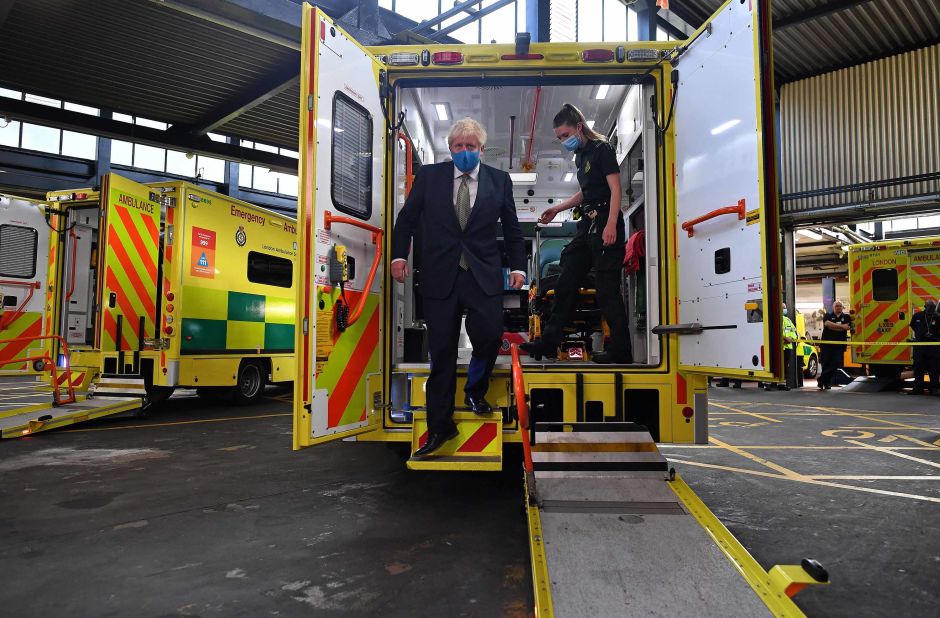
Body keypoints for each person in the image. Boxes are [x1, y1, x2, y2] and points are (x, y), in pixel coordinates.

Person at [391, 118, 526, 458]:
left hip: (481, 272)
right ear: (450, 148)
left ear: (482, 149)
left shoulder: (499, 180)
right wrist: (397, 257)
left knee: (489, 334)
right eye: (459, 147)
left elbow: (511, 227)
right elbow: (406, 219)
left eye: (471, 147)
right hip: (440, 273)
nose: (465, 152)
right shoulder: (431, 177)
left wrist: (519, 267)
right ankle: (440, 427)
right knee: (442, 351)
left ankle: (474, 390)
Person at [521, 103, 632, 364]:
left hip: (606, 221)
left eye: (564, 135)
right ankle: (548, 342)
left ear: (578, 127)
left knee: (607, 291)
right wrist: (557, 207)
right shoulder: (580, 157)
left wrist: (611, 224)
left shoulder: (601, 149)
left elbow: (615, 188)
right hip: (588, 227)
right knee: (565, 281)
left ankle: (621, 350)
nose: (563, 141)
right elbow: (586, 192)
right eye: (559, 137)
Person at [818, 300, 852, 390]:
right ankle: (826, 383)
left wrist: (834, 327)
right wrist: (841, 327)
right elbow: (827, 324)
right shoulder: (828, 315)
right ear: (833, 307)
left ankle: (822, 380)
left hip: (839, 346)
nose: (838, 307)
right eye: (837, 306)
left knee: (836, 364)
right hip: (827, 346)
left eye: (840, 306)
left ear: (842, 307)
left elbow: (847, 327)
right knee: (826, 364)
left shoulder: (847, 317)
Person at [908, 299, 940, 395]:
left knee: (934, 369)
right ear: (925, 307)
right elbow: (913, 326)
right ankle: (918, 388)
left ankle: (934, 389)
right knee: (918, 368)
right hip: (920, 347)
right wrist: (920, 334)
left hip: (933, 347)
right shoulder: (917, 316)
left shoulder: (937, 318)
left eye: (933, 307)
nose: (932, 309)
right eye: (929, 307)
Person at [763, 302, 797, 391]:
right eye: (782, 308)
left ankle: (782, 384)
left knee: (785, 366)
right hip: (775, 347)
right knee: (771, 364)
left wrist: (789, 338)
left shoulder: (788, 320)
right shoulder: (772, 319)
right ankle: (767, 383)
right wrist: (785, 338)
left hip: (787, 347)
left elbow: (794, 333)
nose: (784, 310)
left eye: (784, 308)